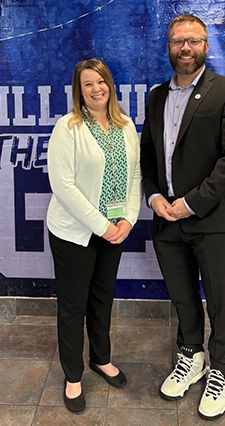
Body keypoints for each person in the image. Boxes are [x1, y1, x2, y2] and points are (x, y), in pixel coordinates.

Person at [140, 14, 225, 420]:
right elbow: (149, 156)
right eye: (177, 41)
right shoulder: (155, 97)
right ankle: (192, 355)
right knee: (183, 298)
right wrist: (153, 196)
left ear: (206, 46)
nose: (185, 49)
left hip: (211, 219)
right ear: (168, 46)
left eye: (193, 41)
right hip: (165, 218)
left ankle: (223, 368)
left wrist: (190, 202)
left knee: (220, 301)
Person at [47, 58, 142, 414]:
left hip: (115, 230)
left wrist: (128, 220)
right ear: (79, 90)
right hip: (75, 232)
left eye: (100, 81)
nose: (96, 89)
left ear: (109, 85)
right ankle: (73, 376)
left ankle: (101, 359)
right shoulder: (67, 127)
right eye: (88, 84)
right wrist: (101, 225)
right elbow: (63, 186)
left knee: (102, 298)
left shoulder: (125, 125)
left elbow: (135, 176)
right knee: (73, 306)